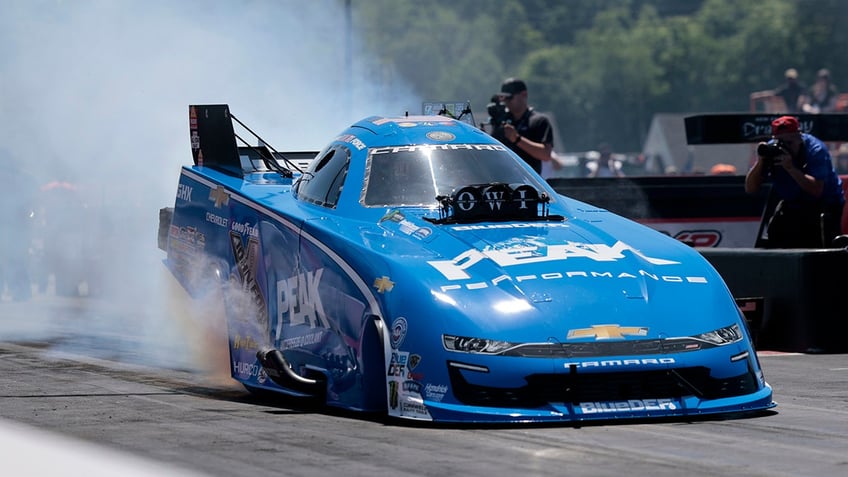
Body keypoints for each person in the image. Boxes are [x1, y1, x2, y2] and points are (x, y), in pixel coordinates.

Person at [744, 115, 845, 248]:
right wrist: (761, 161)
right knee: (778, 233)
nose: (785, 147)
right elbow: (750, 188)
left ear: (799, 137)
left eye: (790, 143)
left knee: (816, 242)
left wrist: (791, 168)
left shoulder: (815, 150)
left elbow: (817, 191)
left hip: (824, 205)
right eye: (781, 142)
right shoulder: (772, 150)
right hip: (792, 203)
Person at [490, 78, 554, 174]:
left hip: (529, 182)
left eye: (510, 97)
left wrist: (517, 139)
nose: (507, 102)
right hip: (504, 180)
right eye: (505, 98)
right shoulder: (502, 121)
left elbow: (546, 154)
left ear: (524, 94)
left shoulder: (539, 121)